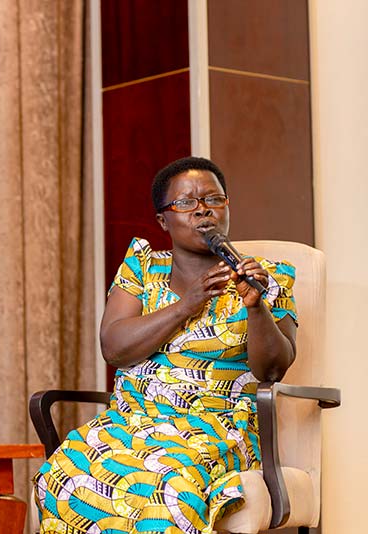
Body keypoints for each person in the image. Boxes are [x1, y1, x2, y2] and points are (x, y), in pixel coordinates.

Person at [34, 156, 297, 534]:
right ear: (163, 220)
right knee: (62, 473)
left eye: (213, 199)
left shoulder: (267, 277)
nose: (202, 210)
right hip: (128, 425)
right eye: (186, 203)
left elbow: (273, 368)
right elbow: (114, 347)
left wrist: (256, 308)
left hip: (216, 428)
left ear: (227, 207)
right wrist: (186, 305)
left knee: (166, 488)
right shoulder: (142, 268)